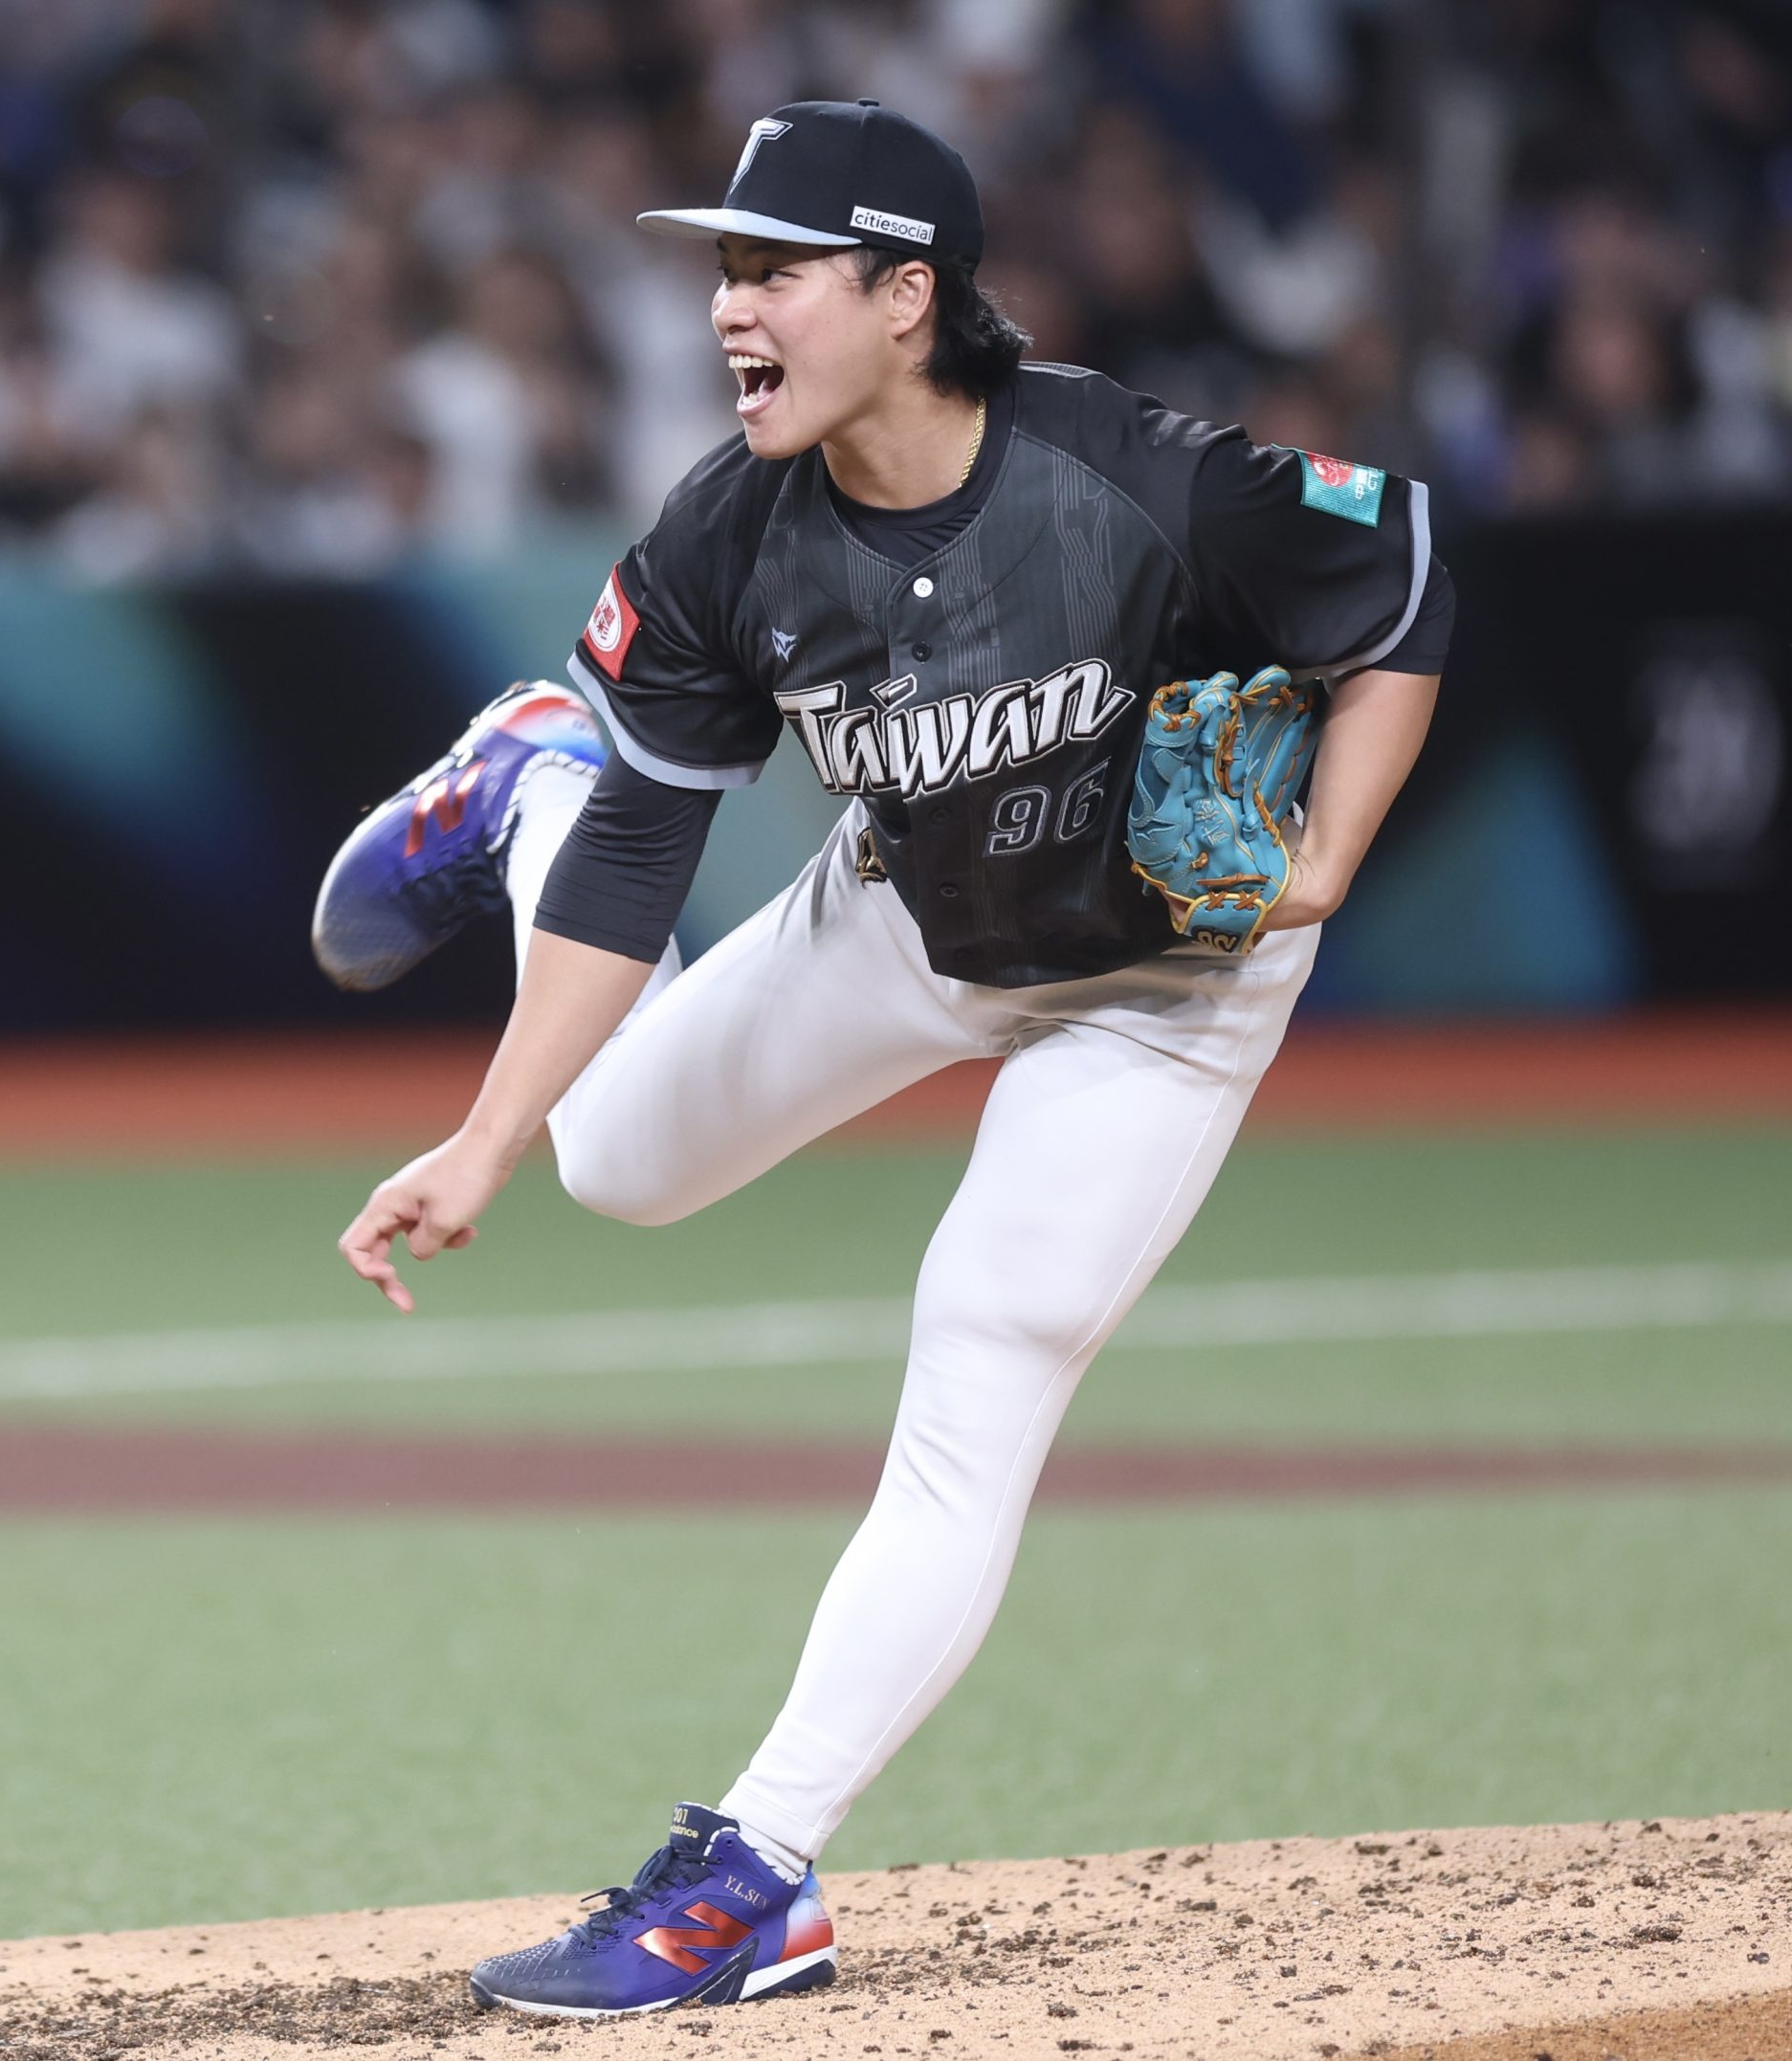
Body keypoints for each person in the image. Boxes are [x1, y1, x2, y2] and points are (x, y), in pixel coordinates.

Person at [312, 100, 1451, 2021]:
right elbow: (639, 867)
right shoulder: (724, 536)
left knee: (988, 1348)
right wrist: (488, 1135)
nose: (727, 307)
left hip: (1165, 989)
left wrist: (1329, 852)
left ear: (907, 296)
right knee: (615, 1161)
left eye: (773, 268)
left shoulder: (1131, 474)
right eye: (722, 269)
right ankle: (530, 769)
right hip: (913, 914)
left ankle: (753, 1877)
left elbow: (1399, 571)